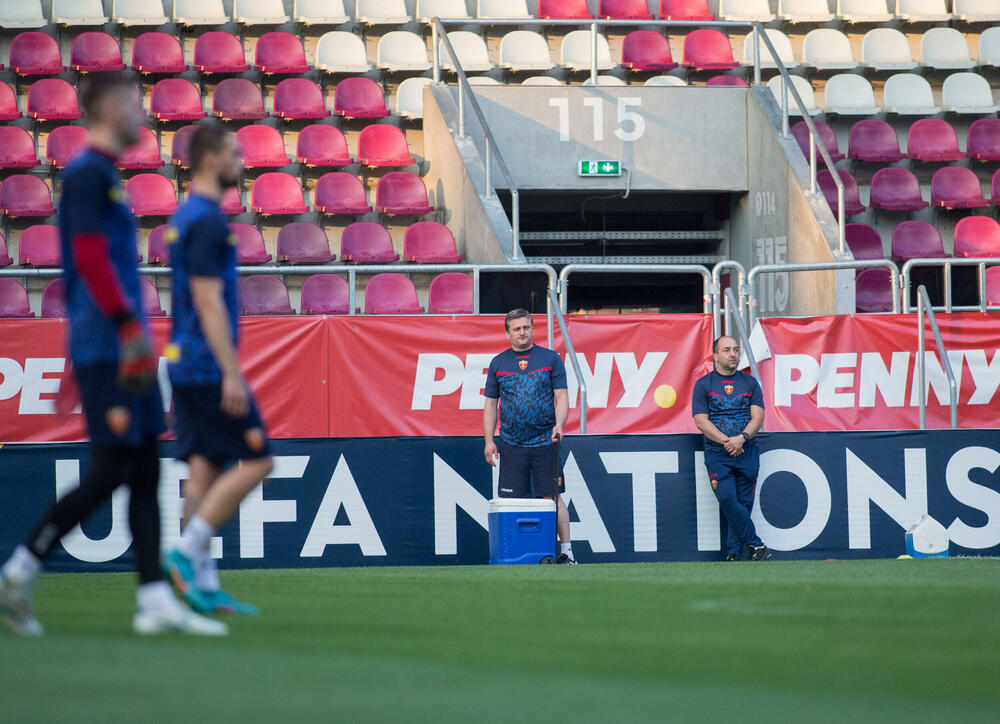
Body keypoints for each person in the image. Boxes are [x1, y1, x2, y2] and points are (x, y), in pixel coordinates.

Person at [0, 74, 225, 636]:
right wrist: (126, 326)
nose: (141, 112)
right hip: (108, 345)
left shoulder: (107, 177)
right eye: (131, 102)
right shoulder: (86, 176)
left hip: (127, 344)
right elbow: (90, 259)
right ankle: (21, 567)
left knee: (145, 468)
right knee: (113, 469)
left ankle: (154, 599)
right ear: (105, 109)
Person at [160, 125, 273, 615]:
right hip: (206, 364)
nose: (241, 162)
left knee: (203, 471)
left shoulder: (186, 216)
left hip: (183, 361)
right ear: (209, 160)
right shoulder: (206, 222)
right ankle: (185, 554)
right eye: (234, 153)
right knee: (259, 460)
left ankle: (201, 585)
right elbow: (208, 302)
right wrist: (230, 372)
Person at [484, 309, 576, 564]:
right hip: (511, 444)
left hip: (546, 441)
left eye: (526, 327)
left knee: (552, 498)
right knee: (514, 502)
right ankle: (518, 555)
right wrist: (489, 440)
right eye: (517, 329)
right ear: (508, 333)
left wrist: (559, 425)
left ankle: (567, 553)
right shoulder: (498, 363)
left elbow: (562, 397)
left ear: (533, 329)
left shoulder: (550, 359)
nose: (522, 332)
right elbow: (490, 404)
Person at [692, 335, 772, 562]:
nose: (733, 354)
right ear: (715, 356)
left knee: (743, 506)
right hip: (717, 453)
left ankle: (733, 554)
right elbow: (701, 421)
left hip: (747, 451)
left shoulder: (750, 383)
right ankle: (756, 544)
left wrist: (742, 438)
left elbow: (758, 417)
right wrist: (728, 441)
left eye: (736, 349)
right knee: (728, 499)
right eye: (727, 350)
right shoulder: (703, 385)